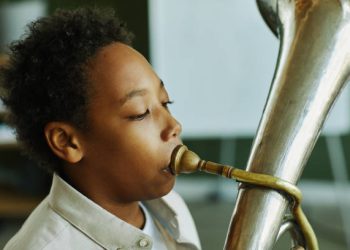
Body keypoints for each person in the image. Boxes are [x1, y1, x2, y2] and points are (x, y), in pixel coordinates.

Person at [0, 7, 201, 250]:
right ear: (67, 142)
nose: (174, 125)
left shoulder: (173, 208)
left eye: (165, 102)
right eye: (140, 113)